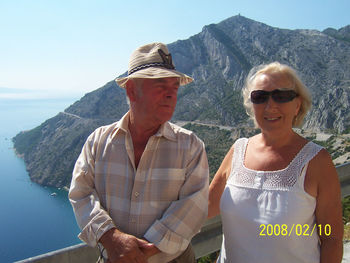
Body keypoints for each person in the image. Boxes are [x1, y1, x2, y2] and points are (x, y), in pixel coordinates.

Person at [69, 42, 209, 263]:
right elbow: (81, 193)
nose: (171, 94)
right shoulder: (98, 141)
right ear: (132, 90)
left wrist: (135, 252)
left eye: (175, 86)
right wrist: (111, 238)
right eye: (161, 84)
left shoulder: (191, 146)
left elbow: (194, 207)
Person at [208, 62, 343, 262]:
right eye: (260, 97)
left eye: (282, 96)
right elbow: (203, 207)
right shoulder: (237, 151)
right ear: (251, 105)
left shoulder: (316, 161)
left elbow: (331, 237)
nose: (270, 106)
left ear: (297, 105)